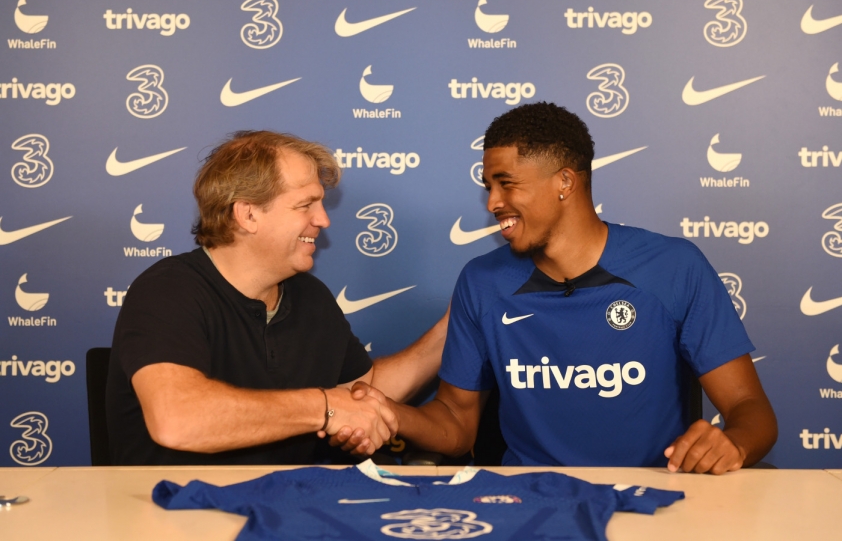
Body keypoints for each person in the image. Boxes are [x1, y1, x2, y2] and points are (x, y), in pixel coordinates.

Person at [343, 102, 777, 474]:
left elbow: (749, 408)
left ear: (565, 182)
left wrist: (733, 443)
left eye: (506, 183)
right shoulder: (482, 281)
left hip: (651, 500)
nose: (492, 203)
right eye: (489, 187)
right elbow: (456, 421)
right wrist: (392, 414)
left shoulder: (674, 267)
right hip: (526, 505)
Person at [106, 130, 446, 465]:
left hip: (284, 498)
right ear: (248, 215)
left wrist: (456, 322)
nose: (323, 220)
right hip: (172, 499)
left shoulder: (310, 296)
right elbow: (177, 421)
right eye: (305, 205)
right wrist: (324, 407)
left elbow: (363, 391)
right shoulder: (167, 291)